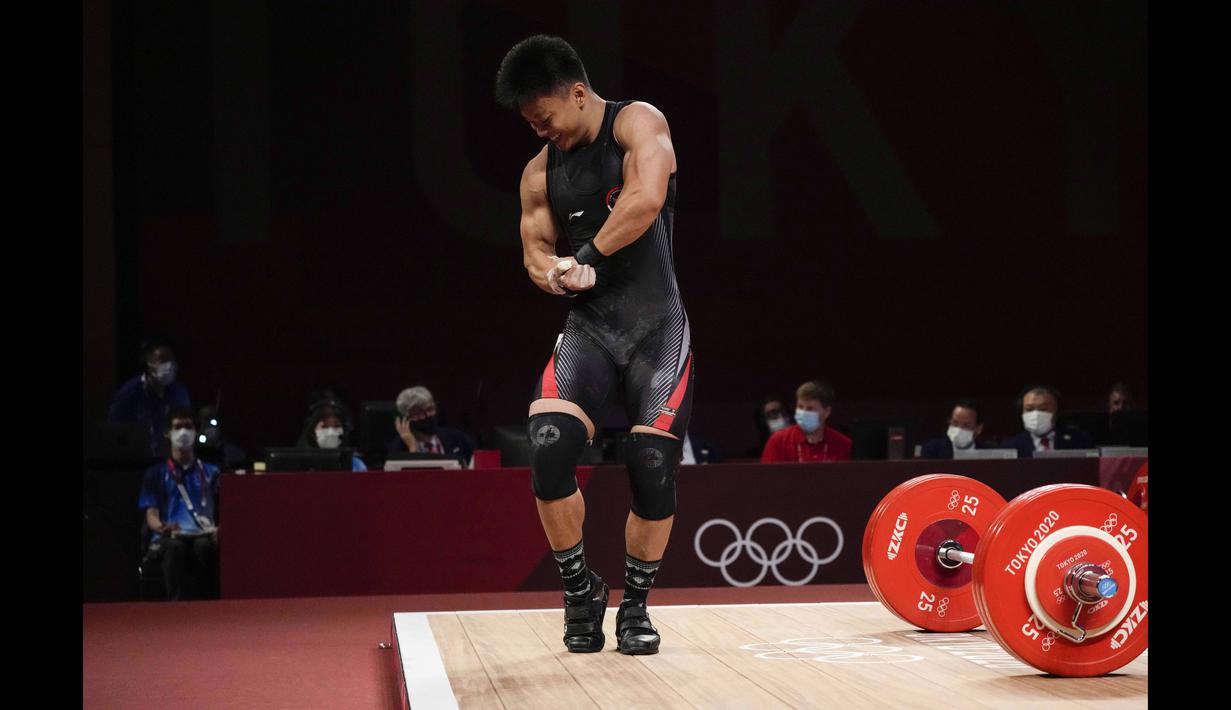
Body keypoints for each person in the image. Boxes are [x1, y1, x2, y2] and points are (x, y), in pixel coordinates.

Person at [496, 34, 694, 656]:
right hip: (589, 330)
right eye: (529, 124)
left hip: (657, 329)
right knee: (548, 449)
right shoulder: (538, 173)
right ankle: (581, 589)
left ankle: (635, 607)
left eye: (544, 119)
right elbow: (533, 251)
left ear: (578, 94)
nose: (539, 133)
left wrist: (584, 256)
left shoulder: (637, 123)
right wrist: (553, 273)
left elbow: (645, 198)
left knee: (652, 466)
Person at [137, 407, 220, 600]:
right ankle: (176, 609)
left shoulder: (211, 472)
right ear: (168, 432)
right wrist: (161, 527)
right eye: (177, 427)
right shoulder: (155, 474)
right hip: (171, 536)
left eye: (188, 426)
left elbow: (226, 507)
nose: (183, 432)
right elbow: (151, 514)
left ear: (196, 431)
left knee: (203, 548)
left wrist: (220, 529)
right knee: (176, 549)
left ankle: (210, 607)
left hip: (203, 534)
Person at [108, 337, 192, 455]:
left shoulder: (179, 393)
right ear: (148, 362)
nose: (168, 365)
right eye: (162, 359)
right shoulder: (128, 394)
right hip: (136, 461)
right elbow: (116, 434)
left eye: (171, 360)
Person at [761, 380, 852, 463]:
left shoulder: (843, 443)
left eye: (810, 409)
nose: (803, 413)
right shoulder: (778, 441)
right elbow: (765, 479)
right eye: (800, 407)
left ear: (826, 412)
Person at [388, 386, 476, 465]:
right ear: (405, 419)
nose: (427, 415)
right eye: (419, 412)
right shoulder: (398, 448)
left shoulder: (457, 438)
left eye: (430, 409)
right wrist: (413, 448)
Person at [1002, 385, 1095, 458]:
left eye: (1043, 409)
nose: (1036, 414)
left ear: (1057, 411)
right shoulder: (1010, 446)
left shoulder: (1080, 440)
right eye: (1029, 409)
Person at [296, 399, 367, 471]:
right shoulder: (300, 465)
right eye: (325, 427)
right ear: (313, 433)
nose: (330, 432)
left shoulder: (356, 465)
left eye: (336, 426)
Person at [918, 399, 989, 458]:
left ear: (978, 428)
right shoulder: (932, 450)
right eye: (955, 423)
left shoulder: (988, 451)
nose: (958, 429)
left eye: (966, 425)